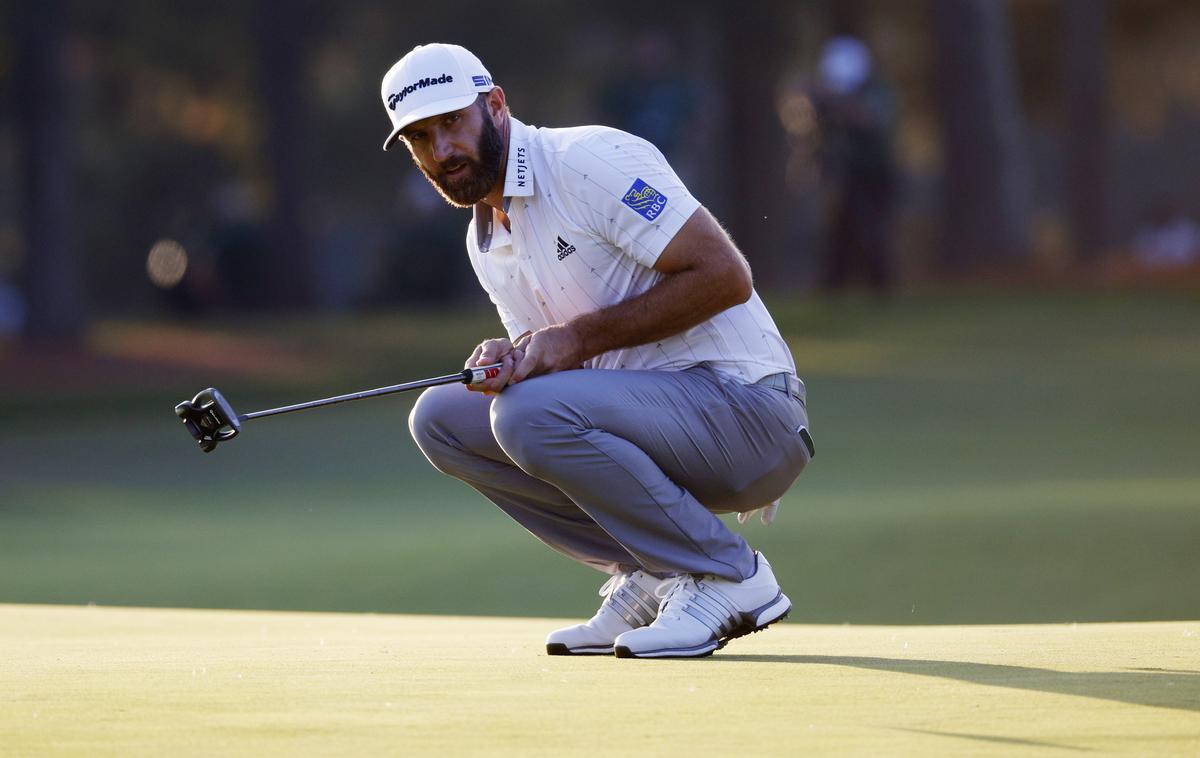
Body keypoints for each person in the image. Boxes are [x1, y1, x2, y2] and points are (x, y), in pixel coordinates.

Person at [383, 44, 814, 659]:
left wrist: (573, 339)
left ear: (496, 106)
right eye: (420, 138)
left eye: (453, 122)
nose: (442, 151)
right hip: (659, 430)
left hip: (752, 415)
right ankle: (650, 571)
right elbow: (559, 369)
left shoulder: (590, 162)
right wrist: (516, 358)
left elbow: (724, 274)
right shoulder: (486, 240)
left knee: (526, 416)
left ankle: (730, 577)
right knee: (441, 419)